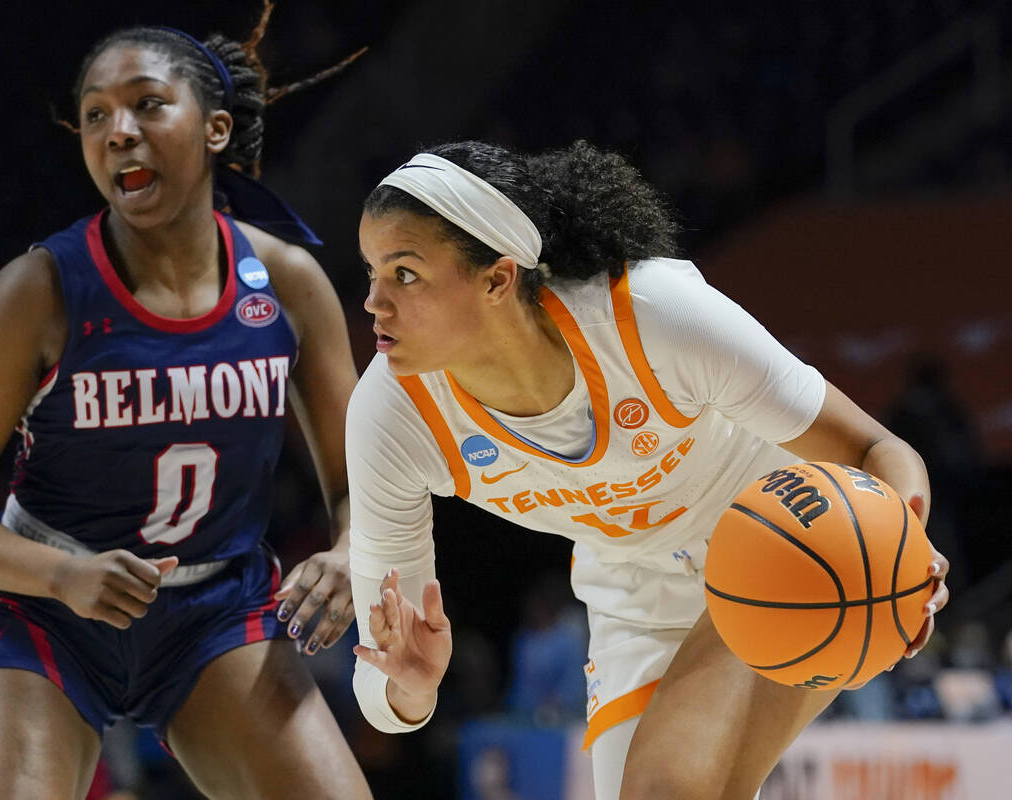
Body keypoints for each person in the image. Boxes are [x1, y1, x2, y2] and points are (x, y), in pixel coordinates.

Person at [346, 140, 951, 799]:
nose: (375, 300)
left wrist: (902, 543)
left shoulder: (652, 313)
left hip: (786, 542)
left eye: (404, 273)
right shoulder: (389, 417)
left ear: (498, 278)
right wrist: (407, 687)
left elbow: (877, 450)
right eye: (371, 271)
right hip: (633, 592)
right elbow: (381, 681)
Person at [0, 12, 372, 800]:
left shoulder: (288, 285)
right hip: (44, 611)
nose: (118, 131)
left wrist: (355, 550)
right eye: (95, 114)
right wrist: (61, 575)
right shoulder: (38, 291)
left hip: (215, 610)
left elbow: (364, 481)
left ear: (216, 129)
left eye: (147, 104)